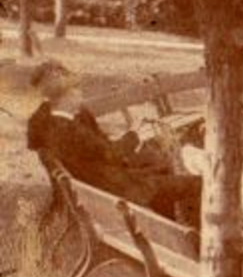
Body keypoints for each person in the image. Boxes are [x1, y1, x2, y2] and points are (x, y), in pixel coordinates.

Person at [26, 61, 202, 226]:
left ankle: (169, 225)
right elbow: (111, 154)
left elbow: (100, 150)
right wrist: (135, 133)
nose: (81, 95)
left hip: (101, 181)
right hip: (114, 189)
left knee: (158, 161)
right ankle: (189, 236)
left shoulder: (52, 121)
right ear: (66, 98)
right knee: (198, 183)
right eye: (77, 90)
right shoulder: (69, 130)